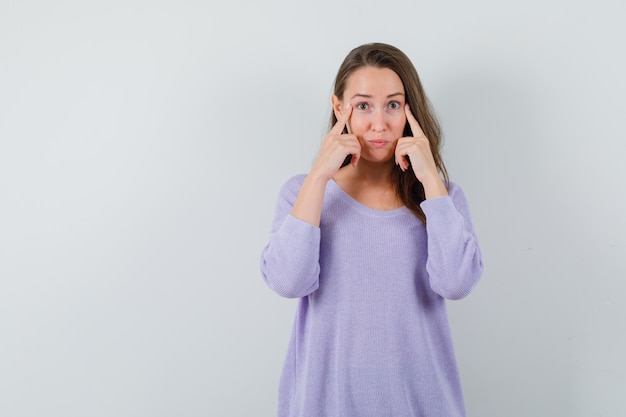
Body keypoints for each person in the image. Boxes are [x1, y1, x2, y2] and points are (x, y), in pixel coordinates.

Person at [260, 42, 483, 417]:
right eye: (363, 105)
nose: (379, 124)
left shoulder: (442, 199)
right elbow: (287, 281)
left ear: (411, 111)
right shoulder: (301, 194)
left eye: (393, 105)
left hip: (421, 405)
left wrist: (430, 179)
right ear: (338, 108)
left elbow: (457, 284)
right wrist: (318, 176)